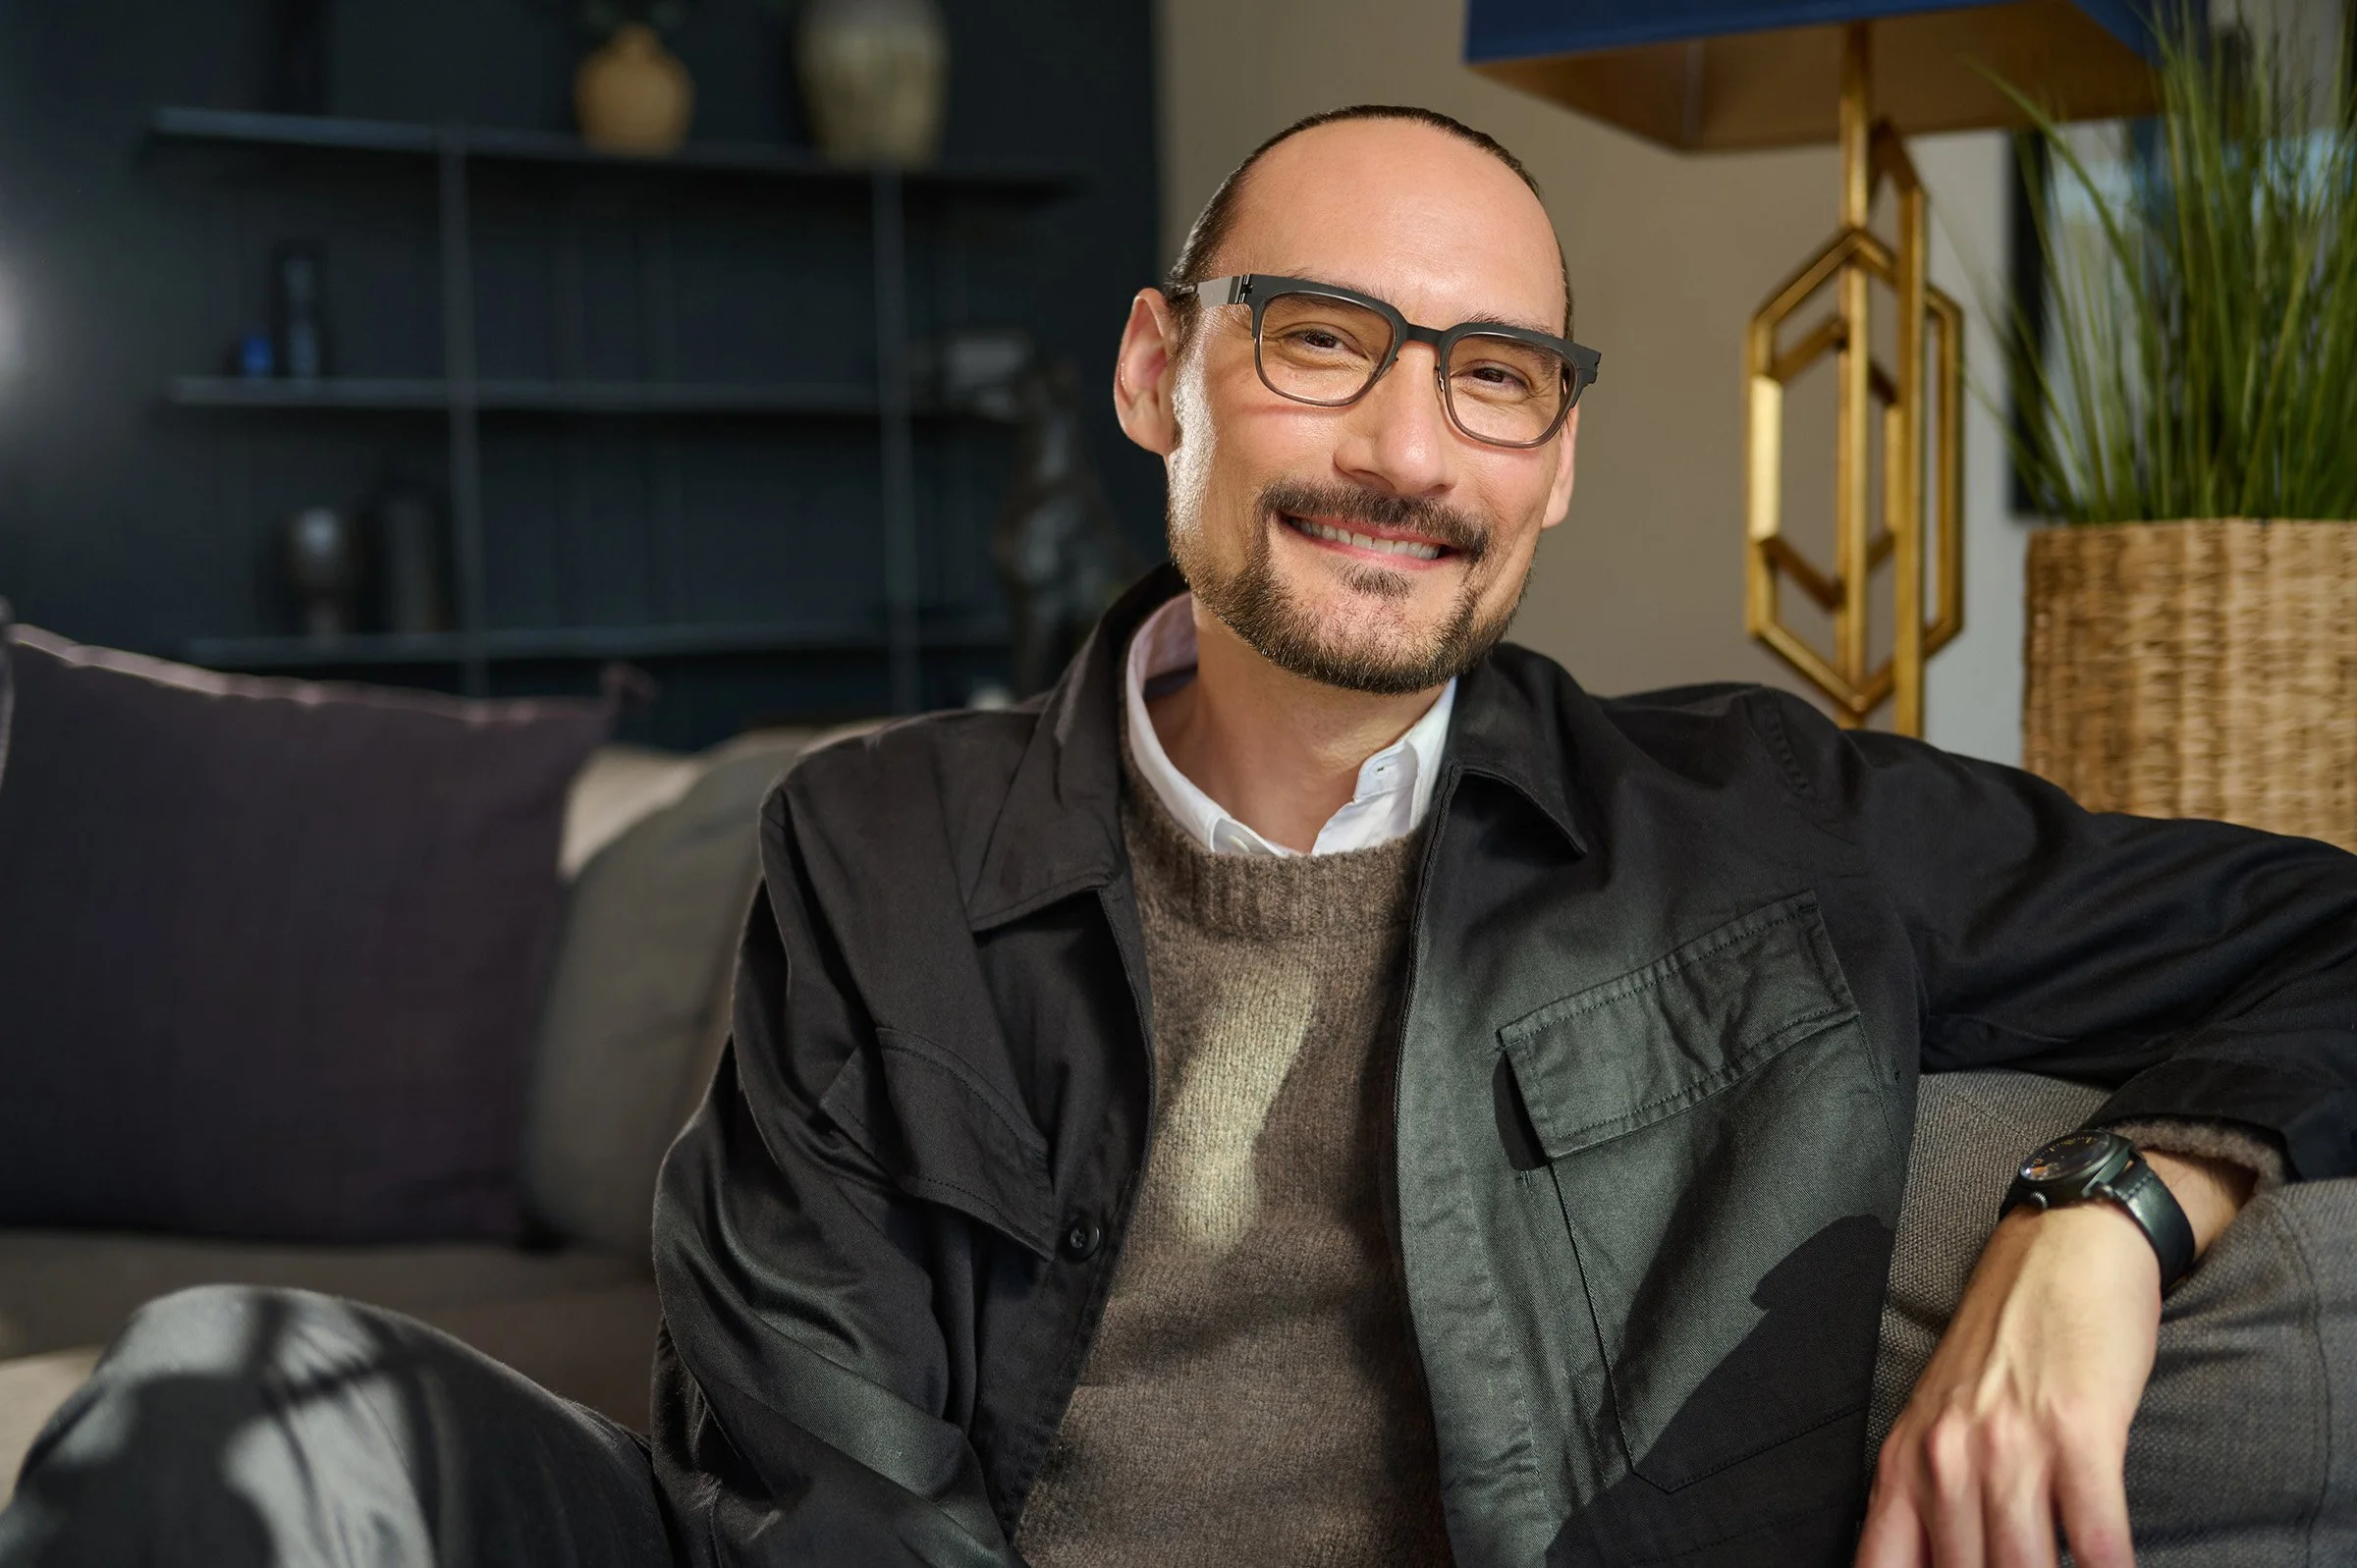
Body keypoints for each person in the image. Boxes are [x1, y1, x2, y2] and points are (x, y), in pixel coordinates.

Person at [6, 104, 2355, 1568]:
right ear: (1162, 376)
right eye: (1321, 339)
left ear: (1550, 460)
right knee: (209, 1394)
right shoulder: (880, 846)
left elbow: (2325, 937)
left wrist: (2118, 1215)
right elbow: (803, 1477)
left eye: (1491, 377)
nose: (1406, 453)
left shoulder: (1758, 819)